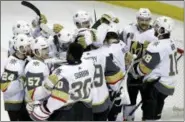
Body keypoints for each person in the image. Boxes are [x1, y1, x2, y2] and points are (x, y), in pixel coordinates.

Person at [26, 42, 95, 121]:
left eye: (68, 52)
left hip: (67, 113)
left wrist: (43, 110)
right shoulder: (89, 64)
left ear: (70, 55)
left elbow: (56, 98)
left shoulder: (61, 72)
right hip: (86, 110)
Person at [135, 16, 177, 121]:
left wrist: (135, 67)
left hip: (156, 85)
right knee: (156, 116)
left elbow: (143, 69)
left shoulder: (156, 46)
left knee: (148, 117)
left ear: (162, 30)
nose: (154, 28)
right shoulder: (172, 42)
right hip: (169, 85)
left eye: (157, 27)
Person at [119, 8, 157, 121]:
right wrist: (125, 54)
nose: (144, 22)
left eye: (147, 20)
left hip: (147, 75)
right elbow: (118, 45)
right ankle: (128, 118)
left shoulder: (155, 34)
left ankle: (147, 118)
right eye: (141, 19)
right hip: (130, 73)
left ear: (150, 20)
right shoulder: (127, 30)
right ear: (137, 19)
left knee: (148, 102)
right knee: (129, 100)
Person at [1, 34, 32, 121]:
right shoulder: (12, 64)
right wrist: (23, 80)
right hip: (13, 105)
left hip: (21, 103)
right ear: (20, 47)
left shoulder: (24, 59)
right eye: (27, 46)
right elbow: (4, 87)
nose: (29, 48)